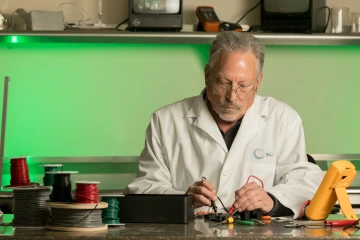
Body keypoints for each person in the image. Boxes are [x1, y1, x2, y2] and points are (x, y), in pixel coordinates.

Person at [125, 31, 322, 218]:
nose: (232, 96)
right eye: (223, 83)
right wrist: (183, 200)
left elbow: (304, 184)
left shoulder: (283, 119)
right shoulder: (166, 120)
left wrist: (271, 200)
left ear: (258, 82)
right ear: (207, 75)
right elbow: (144, 187)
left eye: (243, 86)